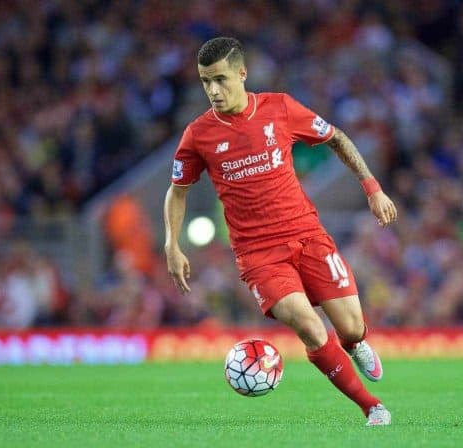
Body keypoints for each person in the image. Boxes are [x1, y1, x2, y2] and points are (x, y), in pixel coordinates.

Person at [163, 37, 397, 426]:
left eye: (220, 79)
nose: (213, 91)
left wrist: (372, 189)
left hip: (308, 235)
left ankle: (355, 343)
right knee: (309, 325)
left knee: (351, 326)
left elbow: (336, 138)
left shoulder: (280, 108)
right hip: (258, 254)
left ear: (242, 73)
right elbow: (177, 191)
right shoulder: (198, 134)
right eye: (205, 82)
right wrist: (172, 243)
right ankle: (371, 405)